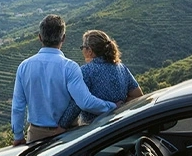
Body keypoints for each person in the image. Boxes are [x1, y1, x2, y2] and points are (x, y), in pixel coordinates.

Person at [11, 15, 119, 146]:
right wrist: (113, 106)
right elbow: (85, 102)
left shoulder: (24, 66)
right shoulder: (70, 67)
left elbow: (18, 106)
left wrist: (18, 135)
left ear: (40, 37)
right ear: (63, 38)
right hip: (68, 134)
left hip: (36, 135)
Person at [58, 30, 143, 129]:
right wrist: (120, 106)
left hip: (95, 130)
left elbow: (77, 104)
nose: (82, 51)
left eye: (82, 48)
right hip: (121, 126)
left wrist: (62, 125)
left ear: (89, 51)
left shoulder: (86, 71)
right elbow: (138, 96)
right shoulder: (121, 68)